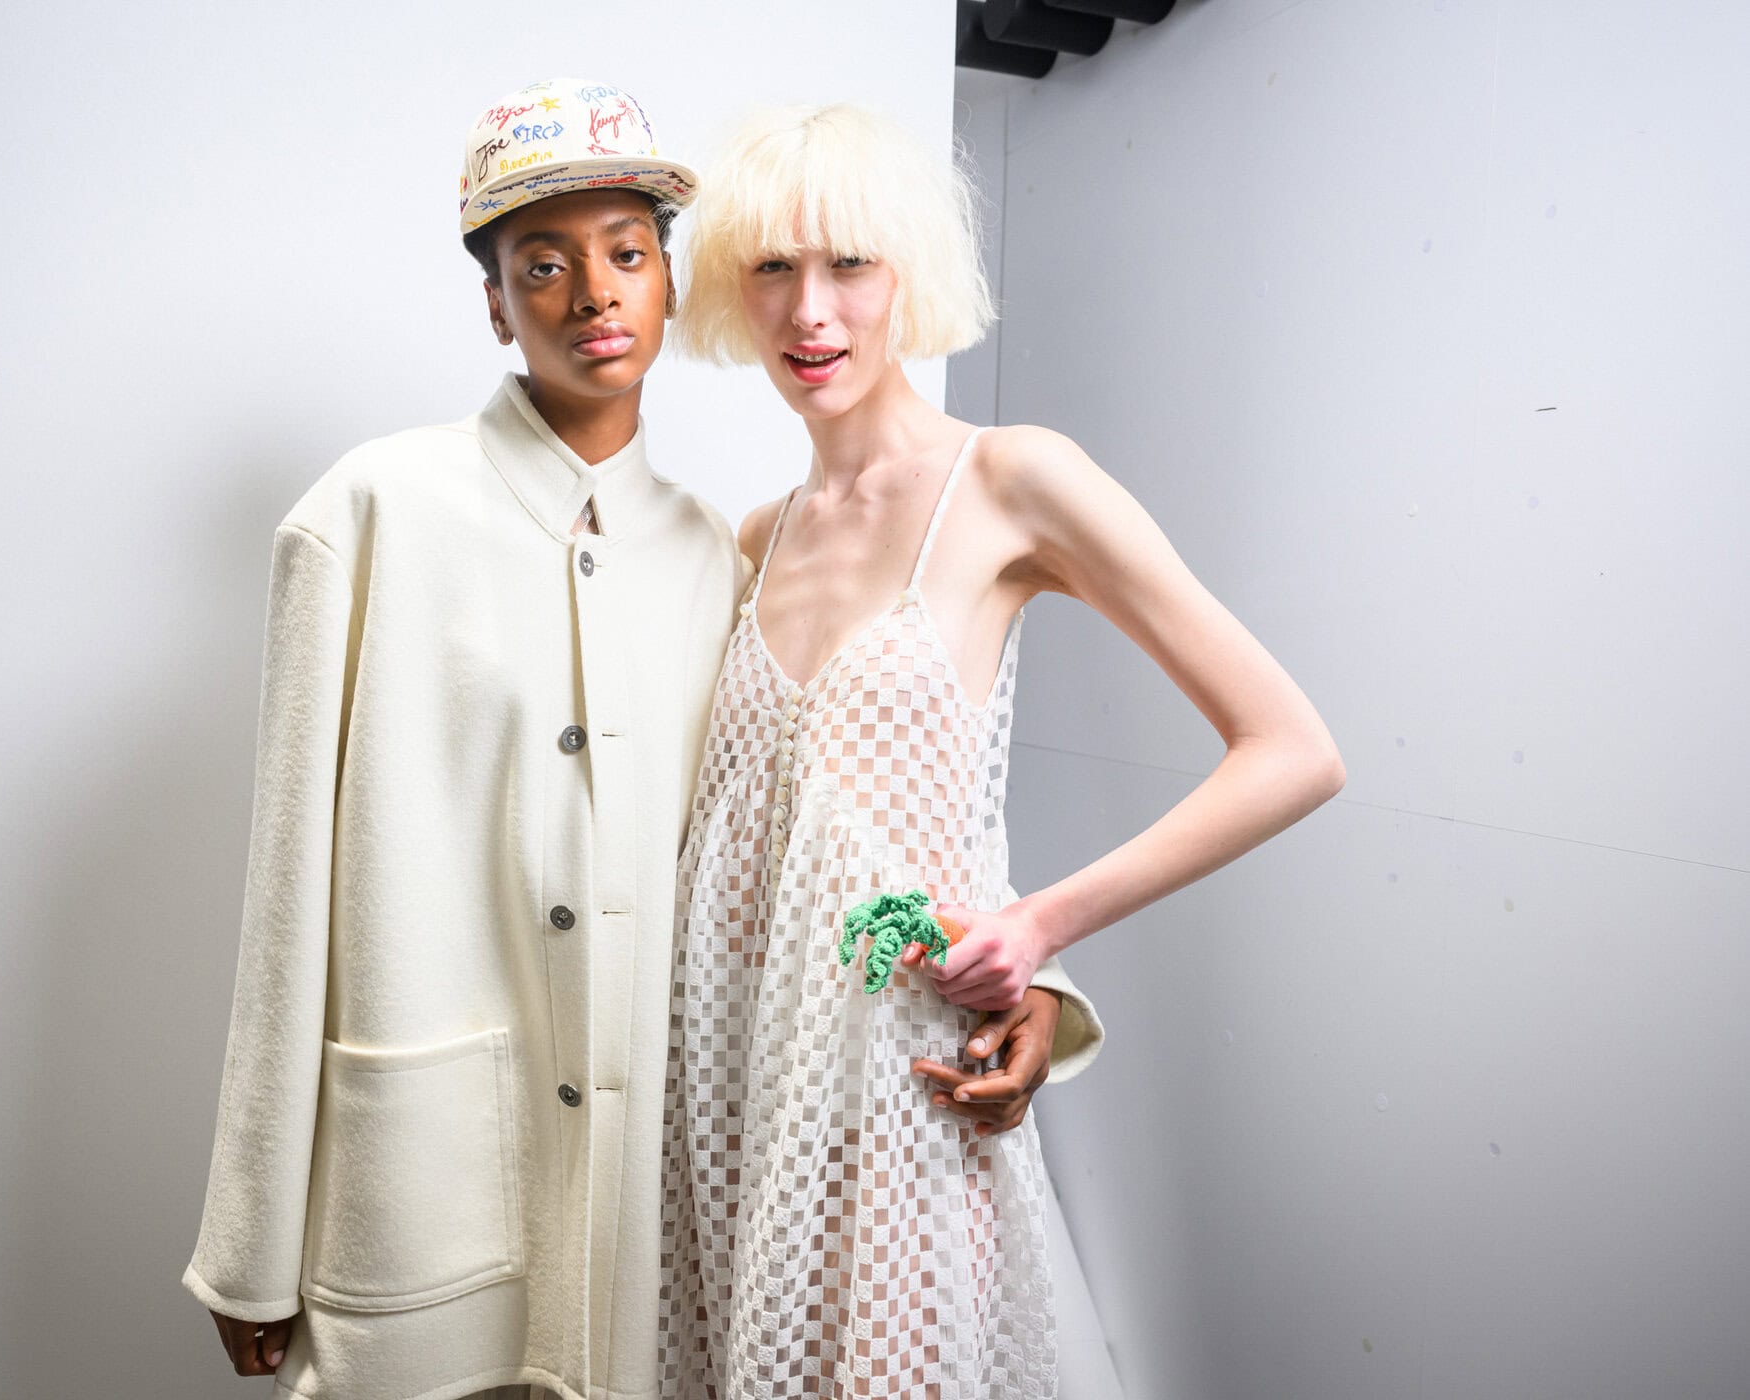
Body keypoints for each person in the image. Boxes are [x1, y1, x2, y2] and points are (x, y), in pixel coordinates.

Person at [178, 80, 1089, 1400]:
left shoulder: (722, 560)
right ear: (497, 304)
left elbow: (823, 832)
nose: (593, 295)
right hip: (422, 1198)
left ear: (669, 284)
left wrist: (1027, 971)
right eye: (543, 265)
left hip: (657, 1218)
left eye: (626, 255)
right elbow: (285, 905)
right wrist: (249, 1238)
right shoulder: (368, 516)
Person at [658, 103, 1346, 1397]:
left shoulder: (1011, 481)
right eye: (773, 268)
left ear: (909, 272)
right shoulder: (755, 539)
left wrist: (1037, 937)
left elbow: (1292, 750)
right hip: (732, 1088)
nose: (811, 310)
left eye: (850, 263)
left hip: (899, 1088)